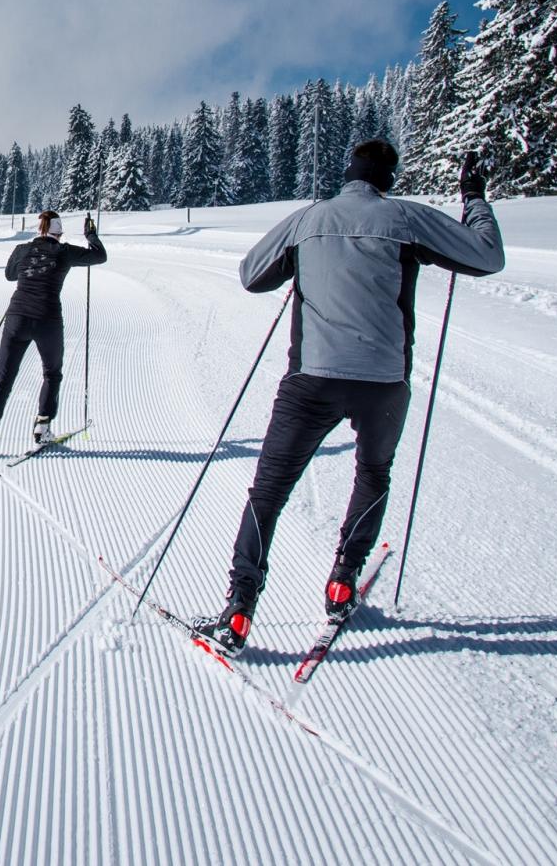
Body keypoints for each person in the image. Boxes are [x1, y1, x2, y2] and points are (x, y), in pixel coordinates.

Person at [191, 140, 503, 656]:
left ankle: (239, 610)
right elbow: (486, 256)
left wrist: (303, 262)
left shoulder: (309, 219)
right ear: (389, 179)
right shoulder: (406, 218)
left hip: (311, 378)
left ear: (348, 174)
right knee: (373, 474)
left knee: (268, 493)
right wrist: (474, 195)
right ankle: (342, 581)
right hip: (383, 381)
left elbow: (251, 275)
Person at [0, 210, 107, 453]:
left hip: (17, 318)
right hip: (48, 320)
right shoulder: (64, 252)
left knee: (4, 377)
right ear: (59, 233)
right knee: (52, 374)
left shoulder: (22, 249)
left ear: (39, 230)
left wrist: (29, 267)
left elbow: (9, 275)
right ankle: (42, 426)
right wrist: (91, 235)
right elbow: (99, 257)